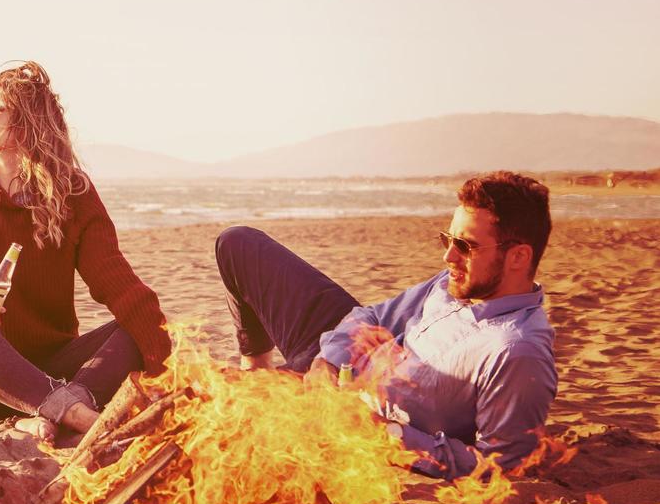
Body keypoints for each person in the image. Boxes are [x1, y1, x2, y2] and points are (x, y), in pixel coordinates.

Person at [216, 171, 557, 479]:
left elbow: (499, 467)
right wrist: (328, 363)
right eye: (447, 240)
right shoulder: (454, 283)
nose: (448, 257)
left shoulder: (515, 352)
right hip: (338, 359)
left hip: (354, 420)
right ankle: (258, 367)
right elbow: (373, 317)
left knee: (227, 417)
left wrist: (382, 432)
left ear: (518, 257)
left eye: (465, 246)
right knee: (238, 243)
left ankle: (275, 377)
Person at [0, 62, 173, 443]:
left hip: (51, 370)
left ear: (27, 124)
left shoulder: (74, 196)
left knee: (135, 324)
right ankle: (77, 414)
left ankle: (54, 409)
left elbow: (117, 282)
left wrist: (166, 368)